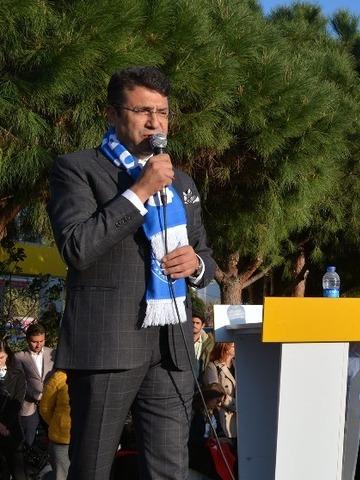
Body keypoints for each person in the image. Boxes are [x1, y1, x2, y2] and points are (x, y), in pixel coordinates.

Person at [47, 66, 216, 479]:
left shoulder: (183, 182)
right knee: (91, 467)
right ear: (112, 113)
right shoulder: (77, 169)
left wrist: (196, 266)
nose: (156, 122)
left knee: (170, 470)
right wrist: (139, 191)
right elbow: (77, 248)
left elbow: (207, 257)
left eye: (163, 112)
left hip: (172, 347)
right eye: (143, 111)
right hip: (108, 346)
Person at [14, 323, 54, 448]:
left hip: (50, 404)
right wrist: (37, 396)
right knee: (27, 441)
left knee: (52, 437)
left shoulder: (52, 353)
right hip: (29, 406)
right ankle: (28, 465)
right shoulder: (19, 357)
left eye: (41, 341)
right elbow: (20, 382)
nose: (38, 345)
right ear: (27, 340)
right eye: (34, 342)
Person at [187, 383, 229, 479]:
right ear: (209, 397)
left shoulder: (214, 413)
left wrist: (224, 439)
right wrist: (211, 441)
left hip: (211, 454)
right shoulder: (196, 413)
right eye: (217, 400)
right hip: (199, 454)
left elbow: (219, 430)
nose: (218, 404)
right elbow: (193, 438)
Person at [0, 341, 25, 480]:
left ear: (8, 355)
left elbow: (17, 402)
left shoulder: (17, 374)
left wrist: (4, 425)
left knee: (18, 471)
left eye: (1, 357)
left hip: (11, 430)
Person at [40, 368, 72, 480]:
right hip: (61, 439)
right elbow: (45, 407)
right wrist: (58, 423)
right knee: (61, 475)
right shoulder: (59, 377)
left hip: (87, 439)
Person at [203, 342, 237, 439]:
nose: (236, 347)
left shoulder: (238, 365)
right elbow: (215, 395)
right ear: (224, 346)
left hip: (240, 421)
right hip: (223, 420)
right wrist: (237, 405)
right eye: (233, 345)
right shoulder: (212, 367)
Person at [191, 310, 214, 381]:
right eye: (193, 322)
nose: (194, 325)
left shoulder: (209, 342)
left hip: (202, 378)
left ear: (203, 325)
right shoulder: (183, 339)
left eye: (197, 323)